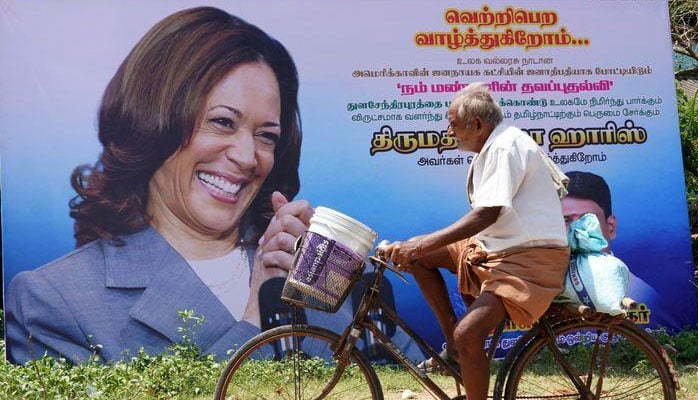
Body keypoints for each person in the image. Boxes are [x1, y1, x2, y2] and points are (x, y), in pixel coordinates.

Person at [5, 7, 313, 365]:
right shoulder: (55, 304)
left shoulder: (318, 273)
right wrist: (258, 318)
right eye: (223, 122)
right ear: (152, 121)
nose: (247, 157)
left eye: (266, 136)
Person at [382, 83, 569, 400]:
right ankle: (453, 345)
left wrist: (423, 243)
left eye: (453, 124)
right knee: (418, 256)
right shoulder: (495, 145)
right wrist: (419, 247)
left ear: (478, 124)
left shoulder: (503, 147)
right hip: (499, 248)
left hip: (528, 261)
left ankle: (461, 344)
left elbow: (488, 213)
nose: (449, 131)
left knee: (469, 334)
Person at [561, 171, 661, 312]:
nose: (577, 231)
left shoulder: (644, 295)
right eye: (566, 220)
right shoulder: (548, 281)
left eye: (588, 219)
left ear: (610, 227)